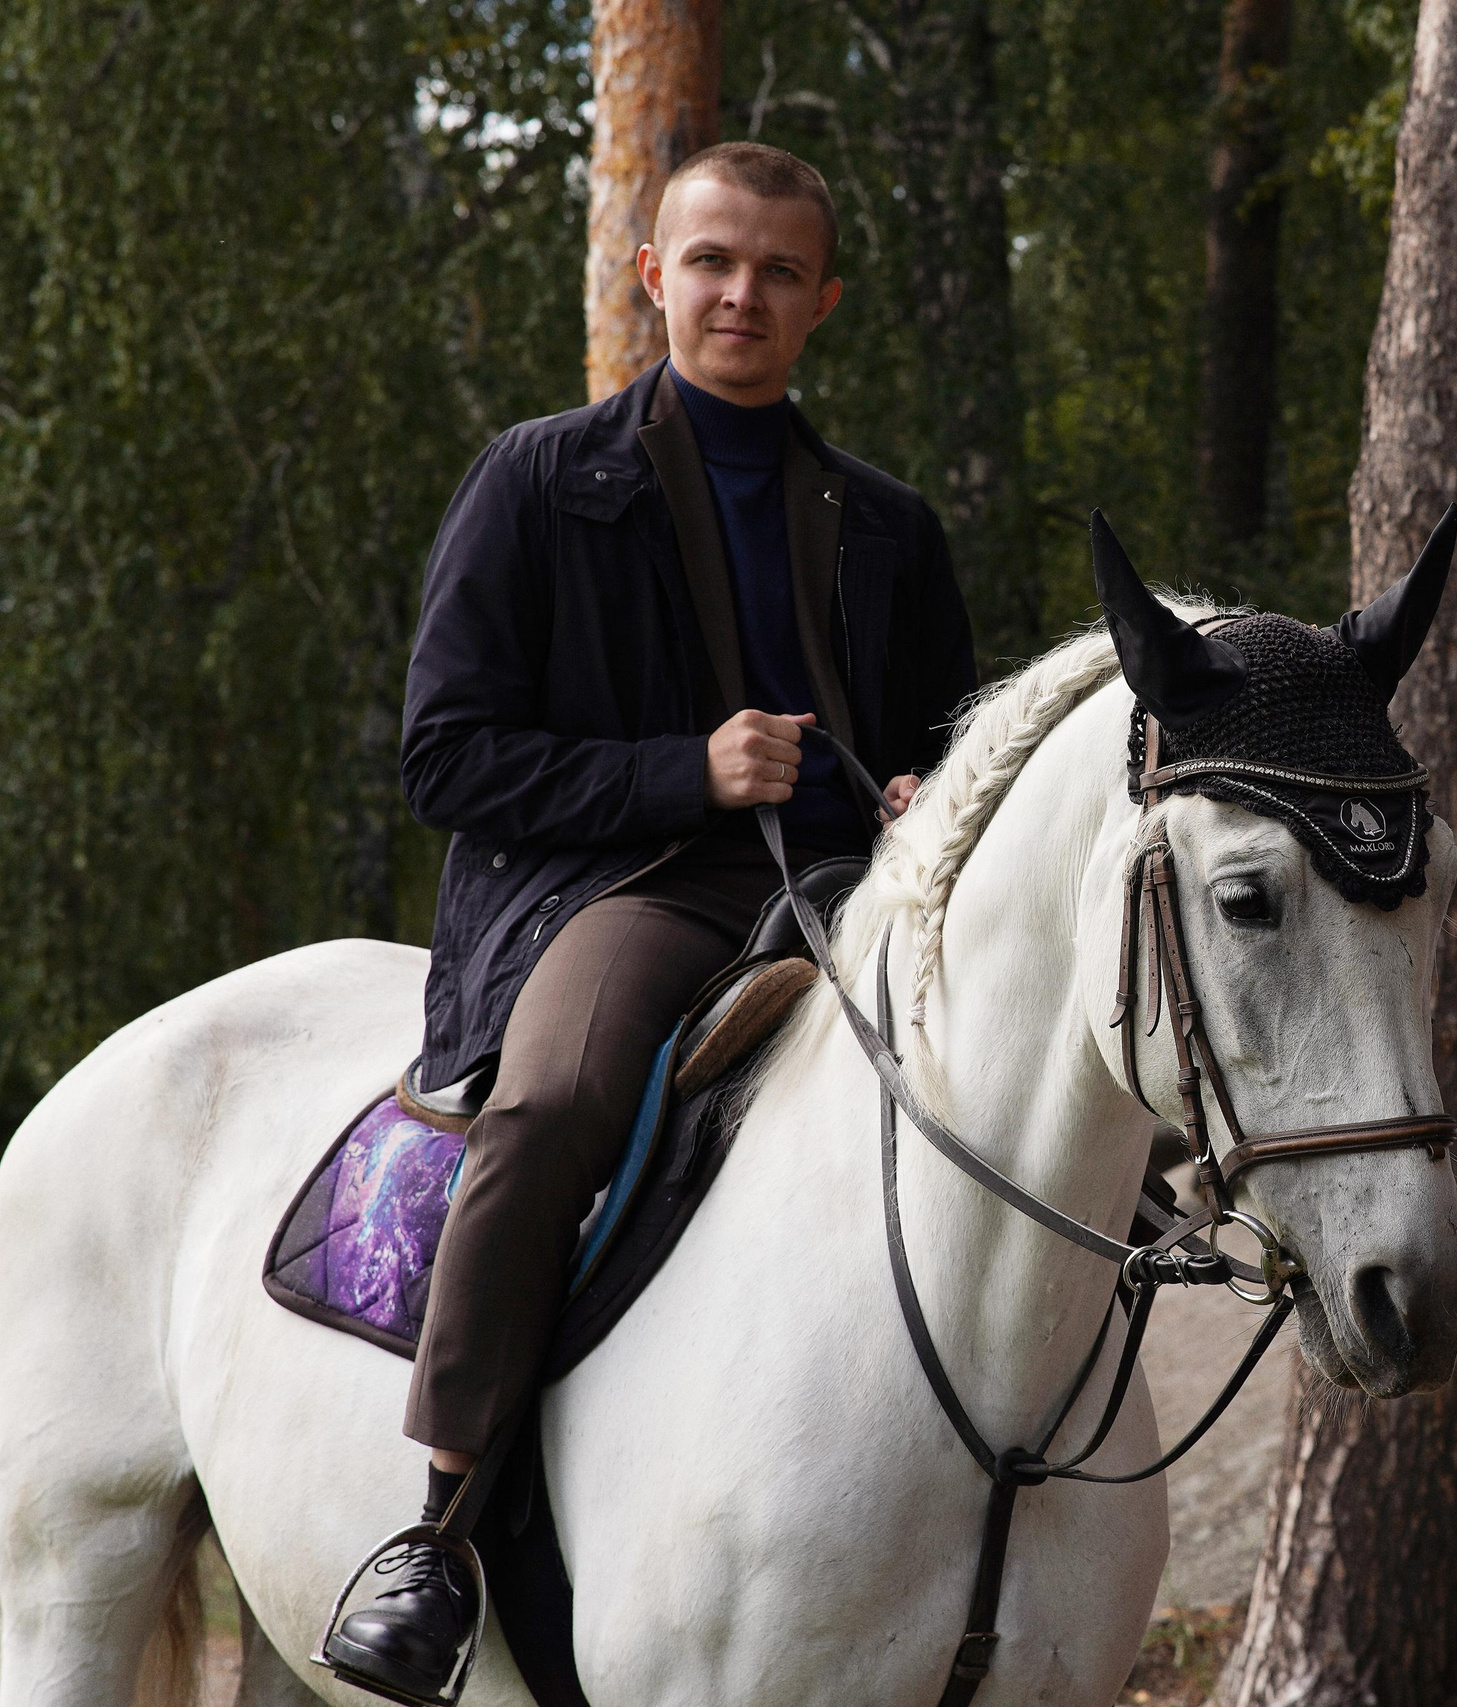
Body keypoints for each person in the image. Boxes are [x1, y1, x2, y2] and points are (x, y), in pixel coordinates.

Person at [321, 142, 979, 1699]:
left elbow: (952, 742)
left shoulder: (890, 524)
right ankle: (442, 1527)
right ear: (651, 274)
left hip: (854, 897)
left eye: (775, 270)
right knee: (552, 1106)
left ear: (825, 299)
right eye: (710, 261)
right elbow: (445, 755)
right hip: (625, 890)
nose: (740, 292)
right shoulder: (539, 478)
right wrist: (682, 771)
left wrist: (917, 797)